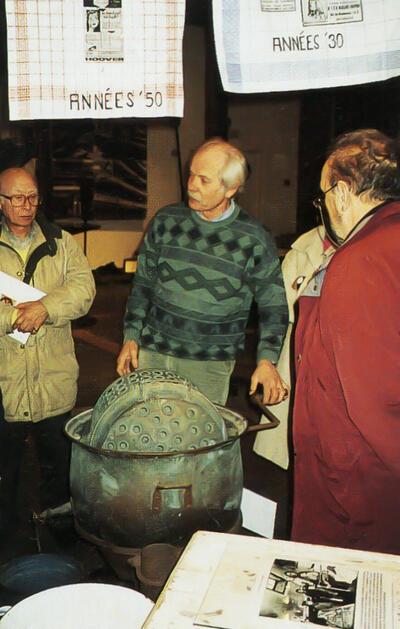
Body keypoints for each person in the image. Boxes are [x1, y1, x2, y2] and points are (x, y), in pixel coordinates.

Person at [291, 129, 400, 553]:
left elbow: (375, 399)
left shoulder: (360, 261)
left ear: (340, 192)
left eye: (322, 197)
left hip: (355, 484)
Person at [117, 138, 289, 406]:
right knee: (150, 437)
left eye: (204, 180)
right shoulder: (166, 221)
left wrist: (267, 360)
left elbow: (274, 306)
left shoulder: (254, 238)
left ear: (231, 189)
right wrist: (131, 337)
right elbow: (143, 285)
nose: (191, 185)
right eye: (191, 175)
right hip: (152, 354)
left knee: (197, 442)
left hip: (209, 366)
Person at [0, 167, 96, 535]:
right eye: (18, 198)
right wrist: (11, 317)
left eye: (33, 197)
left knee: (59, 472)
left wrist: (46, 309)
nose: (27, 206)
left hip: (53, 383)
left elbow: (83, 289)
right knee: (5, 472)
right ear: (2, 202)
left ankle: (58, 538)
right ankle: (8, 540)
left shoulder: (62, 243)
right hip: (5, 386)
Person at [253, 225, 335, 469]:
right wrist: (268, 362)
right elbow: (278, 310)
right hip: (296, 350)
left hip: (335, 359)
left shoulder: (368, 243)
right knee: (293, 454)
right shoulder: (305, 246)